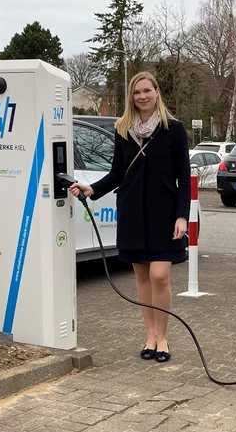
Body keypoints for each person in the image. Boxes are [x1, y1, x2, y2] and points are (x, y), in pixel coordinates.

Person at [69, 71, 190, 363]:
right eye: (137, 92)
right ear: (131, 97)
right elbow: (117, 173)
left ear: (157, 93)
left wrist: (182, 216)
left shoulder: (173, 129)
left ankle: (164, 337)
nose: (142, 97)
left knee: (160, 276)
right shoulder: (122, 128)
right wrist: (92, 190)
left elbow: (184, 177)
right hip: (133, 212)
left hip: (164, 213)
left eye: (147, 90)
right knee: (142, 277)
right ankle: (150, 336)